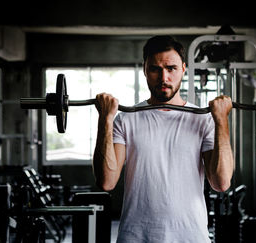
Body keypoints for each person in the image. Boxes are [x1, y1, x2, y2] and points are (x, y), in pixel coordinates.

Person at [93, 35, 234, 243]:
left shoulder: (203, 120)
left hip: (190, 237)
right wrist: (105, 119)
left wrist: (221, 121)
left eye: (171, 68)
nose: (164, 78)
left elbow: (221, 183)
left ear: (183, 69)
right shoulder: (126, 119)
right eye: (155, 69)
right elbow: (106, 182)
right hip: (136, 237)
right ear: (145, 70)